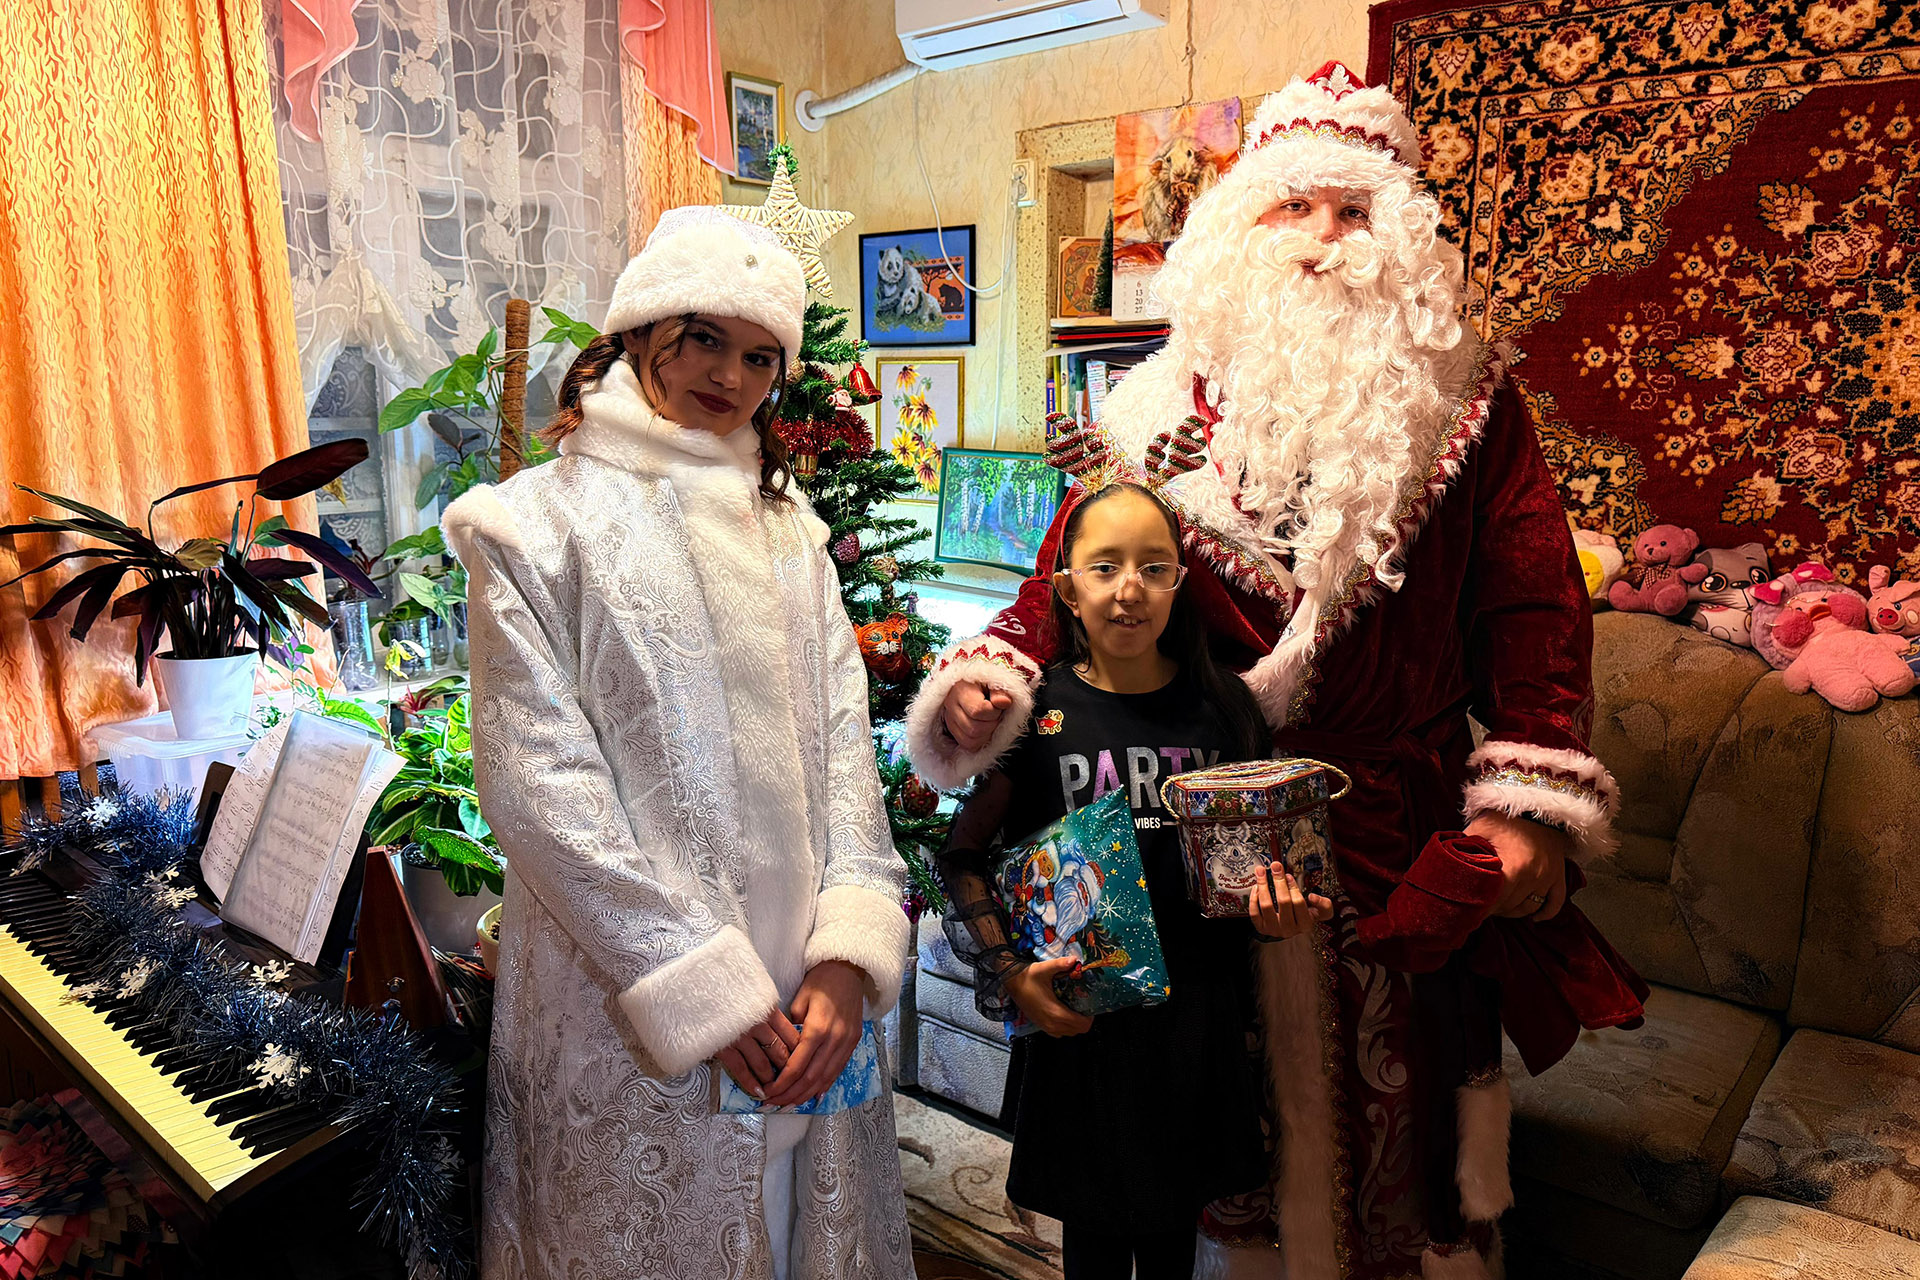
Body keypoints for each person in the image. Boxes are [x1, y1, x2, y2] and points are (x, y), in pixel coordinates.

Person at [904, 63, 1645, 1279]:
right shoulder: (1148, 417)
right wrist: (990, 679)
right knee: (1208, 1142)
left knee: (1408, 1161)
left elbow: (1535, 614)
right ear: (1240, 230)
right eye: (1293, 206)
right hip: (1194, 839)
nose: (1323, 239)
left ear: (1401, 237)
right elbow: (1062, 585)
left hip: (1399, 836)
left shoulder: (1471, 407)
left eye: (1353, 211)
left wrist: (1524, 809)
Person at [446, 207, 914, 1280]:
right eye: (705, 339)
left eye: (759, 356)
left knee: (798, 1238)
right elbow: (539, 788)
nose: (730, 376)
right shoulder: (531, 528)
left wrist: (848, 957)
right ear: (643, 330)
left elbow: (846, 750)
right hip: (626, 1013)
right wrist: (699, 988)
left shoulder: (792, 535)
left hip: (808, 1003)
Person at [934, 481, 1332, 1280]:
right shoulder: (1034, 713)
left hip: (1196, 1027)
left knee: (1173, 1236)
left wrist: (1274, 915)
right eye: (1105, 566)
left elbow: (1252, 870)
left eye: (1154, 568)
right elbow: (961, 855)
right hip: (1084, 1029)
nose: (1129, 589)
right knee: (1093, 1239)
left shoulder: (1224, 712)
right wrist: (1012, 975)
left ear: (1180, 582)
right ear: (1066, 587)